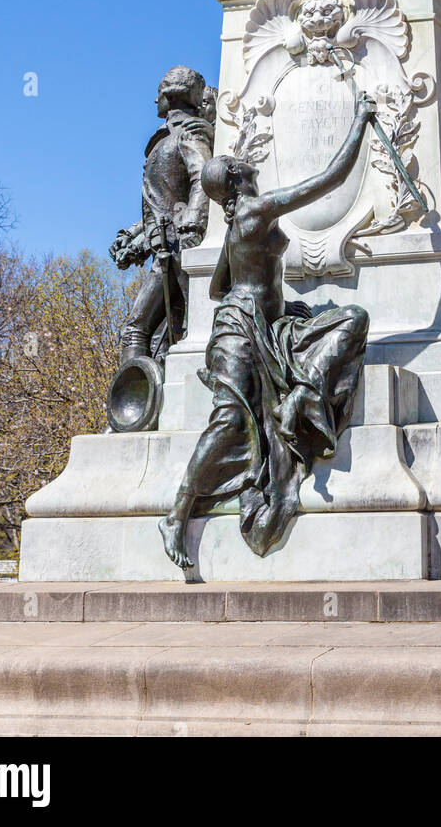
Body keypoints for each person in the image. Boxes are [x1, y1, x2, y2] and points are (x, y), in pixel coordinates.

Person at [159, 91, 375, 568]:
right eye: (241, 163)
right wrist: (359, 119)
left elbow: (219, 285)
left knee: (353, 319)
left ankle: (300, 393)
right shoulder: (255, 211)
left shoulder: (239, 220)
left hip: (266, 326)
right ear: (235, 179)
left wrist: (275, 303)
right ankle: (176, 513)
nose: (250, 163)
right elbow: (330, 178)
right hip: (238, 333)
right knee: (230, 422)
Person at [109, 66, 214, 365]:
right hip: (164, 247)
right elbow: (161, 201)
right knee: (160, 337)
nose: (155, 101)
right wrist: (133, 235)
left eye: (158, 94)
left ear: (170, 95)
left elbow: (202, 178)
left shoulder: (188, 133)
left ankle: (140, 396)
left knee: (137, 330)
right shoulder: (163, 140)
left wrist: (192, 223)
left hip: (178, 248)